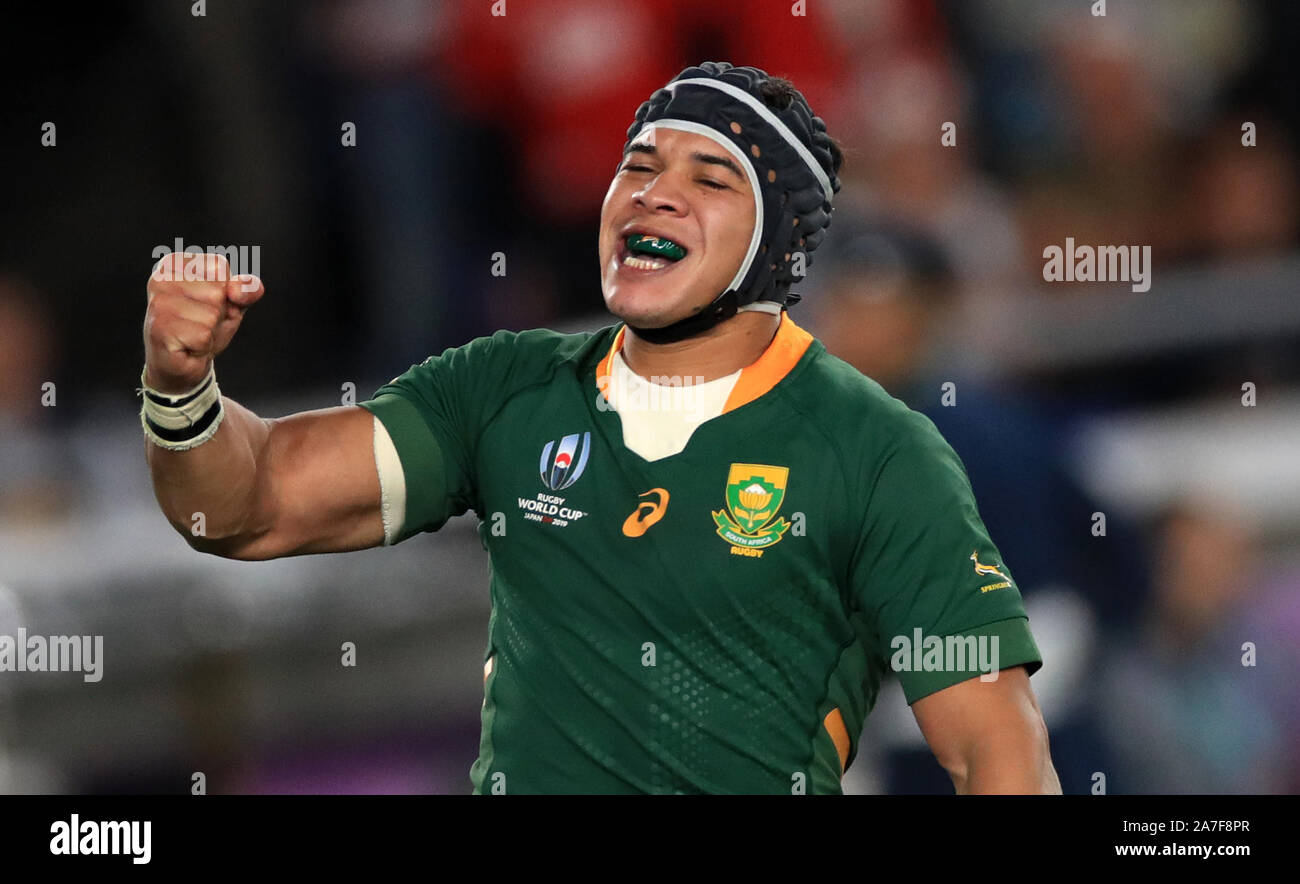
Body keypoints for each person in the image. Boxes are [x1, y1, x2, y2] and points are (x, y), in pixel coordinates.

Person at [140, 62, 1058, 795]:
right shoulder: (506, 388)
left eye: (710, 179)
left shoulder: (878, 451)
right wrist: (180, 386)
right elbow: (246, 508)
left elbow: (996, 755)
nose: (655, 193)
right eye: (640, 165)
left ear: (777, 245)